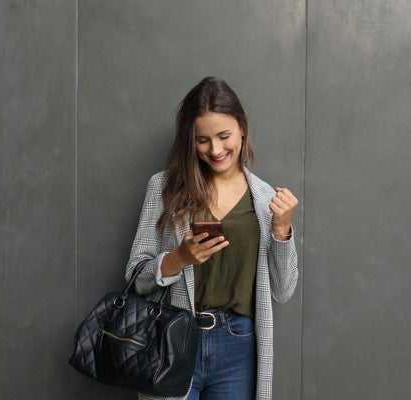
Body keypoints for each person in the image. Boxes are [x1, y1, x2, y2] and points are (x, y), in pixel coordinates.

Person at [126, 77, 299, 400]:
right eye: (202, 140)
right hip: (174, 341)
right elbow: (136, 277)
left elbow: (283, 290)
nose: (215, 150)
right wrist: (180, 258)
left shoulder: (264, 200)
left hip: (238, 345)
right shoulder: (163, 189)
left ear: (242, 128)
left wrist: (282, 231)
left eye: (224, 136)